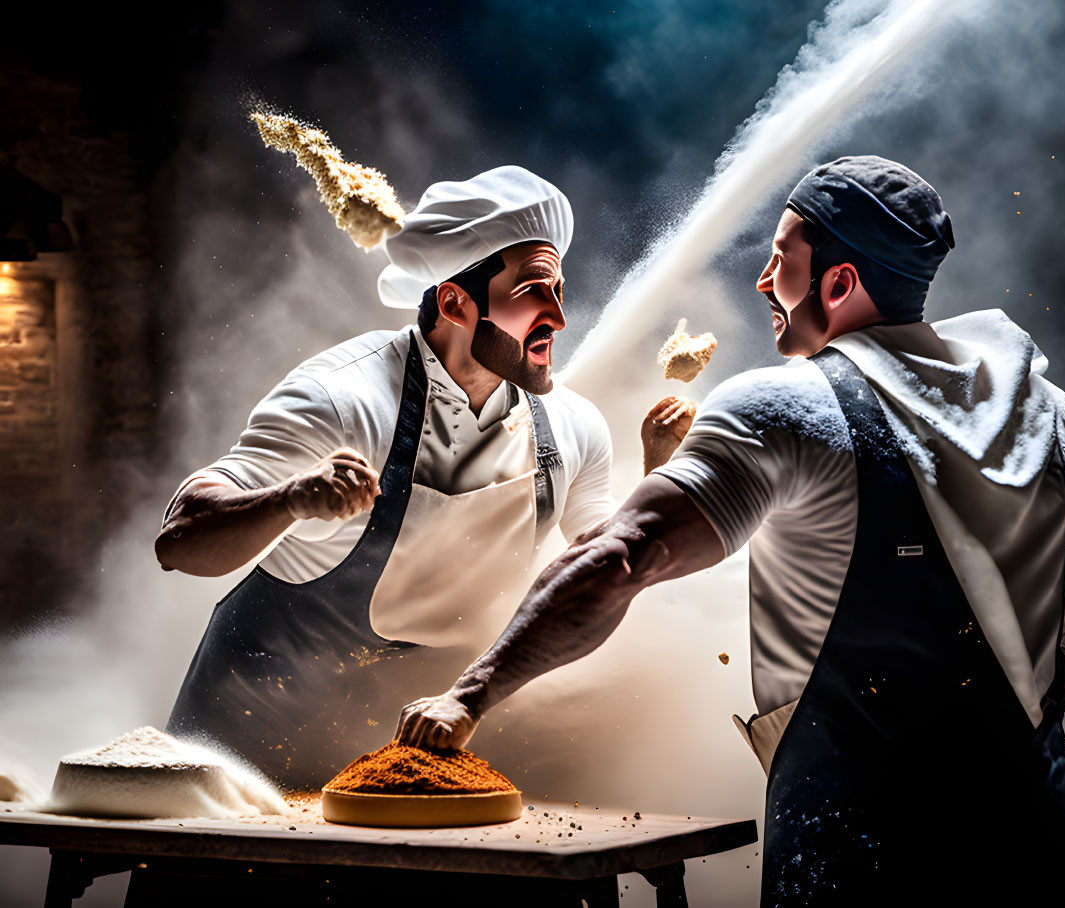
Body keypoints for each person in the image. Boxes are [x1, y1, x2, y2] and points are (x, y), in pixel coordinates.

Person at [395, 156, 1065, 905]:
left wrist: (468, 695)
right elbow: (1034, 611)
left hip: (866, 837)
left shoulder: (787, 407)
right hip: (1040, 829)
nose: (765, 282)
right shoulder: (1043, 407)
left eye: (781, 260)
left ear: (836, 284)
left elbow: (622, 560)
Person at [155, 165, 690, 788]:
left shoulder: (572, 428)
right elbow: (182, 538)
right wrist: (291, 499)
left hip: (415, 743)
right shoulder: (343, 398)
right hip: (250, 735)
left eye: (559, 292)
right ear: (455, 302)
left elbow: (605, 572)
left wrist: (661, 477)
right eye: (534, 291)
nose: (559, 317)